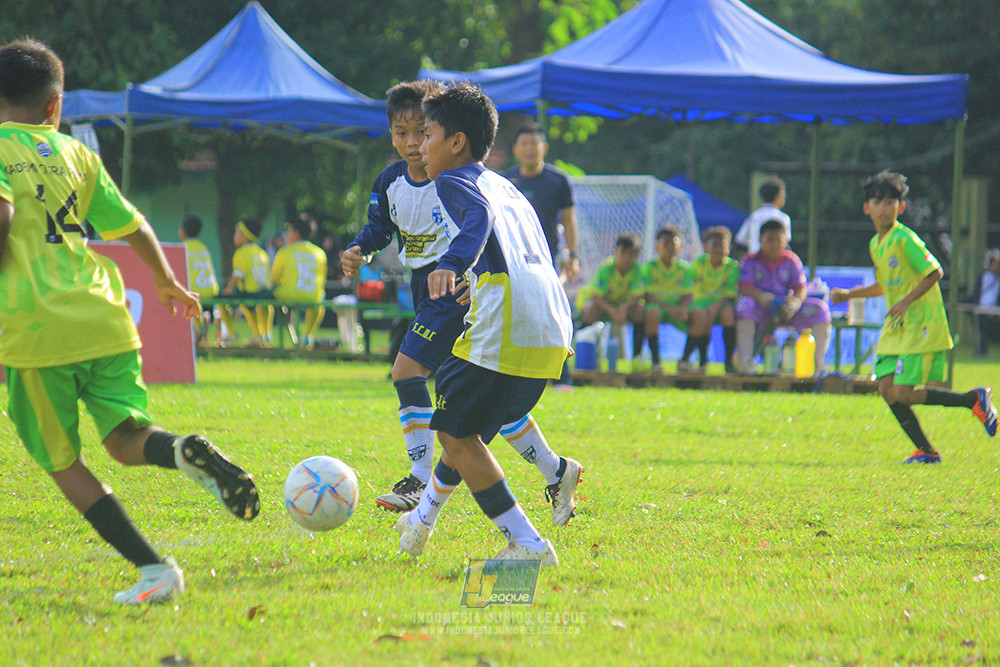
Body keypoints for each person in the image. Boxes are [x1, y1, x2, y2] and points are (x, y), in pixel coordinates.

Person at [0, 38, 259, 605]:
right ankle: (182, 448)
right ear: (54, 106)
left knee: (63, 463)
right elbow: (132, 226)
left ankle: (154, 570)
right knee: (124, 440)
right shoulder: (76, 154)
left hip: (35, 328)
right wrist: (167, 283)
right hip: (106, 318)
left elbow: (2, 215)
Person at [341, 81, 581, 520]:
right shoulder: (392, 181)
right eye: (402, 132)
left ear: (449, 138)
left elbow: (483, 223)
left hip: (457, 290)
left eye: (422, 131)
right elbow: (379, 228)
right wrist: (360, 248)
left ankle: (418, 482)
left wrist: (459, 268)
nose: (413, 142)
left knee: (409, 373)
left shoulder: (453, 177)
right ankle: (554, 469)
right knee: (486, 404)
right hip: (430, 284)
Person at [831, 170, 997, 462]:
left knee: (903, 393)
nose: (885, 207)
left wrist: (906, 302)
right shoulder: (876, 243)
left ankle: (974, 400)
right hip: (897, 325)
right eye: (878, 201)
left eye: (891, 202)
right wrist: (850, 295)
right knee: (885, 389)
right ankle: (926, 451)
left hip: (919, 322)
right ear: (866, 207)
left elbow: (935, 272)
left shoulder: (904, 238)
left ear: (901, 207)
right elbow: (885, 284)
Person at [502, 123, 578, 387]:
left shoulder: (559, 180)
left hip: (548, 259)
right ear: (516, 150)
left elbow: (568, 220)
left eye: (534, 143)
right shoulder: (504, 181)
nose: (529, 149)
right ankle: (516, 375)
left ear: (544, 148)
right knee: (515, 313)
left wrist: (573, 255)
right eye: (524, 143)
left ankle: (562, 377)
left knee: (552, 313)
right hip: (513, 260)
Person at [735, 219, 831, 374]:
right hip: (760, 306)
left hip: (786, 308)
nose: (774, 244)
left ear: (785, 240)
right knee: (745, 305)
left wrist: (794, 304)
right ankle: (746, 362)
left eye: (778, 240)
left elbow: (800, 289)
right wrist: (762, 297)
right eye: (769, 240)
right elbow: (745, 288)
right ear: (760, 240)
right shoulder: (750, 261)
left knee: (820, 309)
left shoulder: (791, 260)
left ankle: (818, 365)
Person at [576, 233, 645, 367]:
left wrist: (623, 308)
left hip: (621, 309)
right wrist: (613, 311)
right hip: (602, 307)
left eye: (631, 254)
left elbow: (638, 296)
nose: (626, 257)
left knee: (639, 310)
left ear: (636, 256)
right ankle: (581, 354)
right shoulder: (606, 267)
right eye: (623, 252)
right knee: (592, 309)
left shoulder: (637, 270)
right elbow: (596, 296)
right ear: (615, 252)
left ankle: (637, 359)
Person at [680, 226, 740, 373]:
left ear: (729, 248)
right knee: (701, 316)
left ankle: (728, 363)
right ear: (706, 247)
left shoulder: (732, 267)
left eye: (722, 245)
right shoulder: (698, 264)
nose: (718, 249)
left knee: (728, 314)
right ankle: (690, 360)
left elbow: (731, 295)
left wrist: (715, 306)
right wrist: (684, 308)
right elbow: (687, 290)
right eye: (715, 245)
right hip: (701, 304)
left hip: (723, 304)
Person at [637, 226, 691, 373]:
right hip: (658, 308)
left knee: (699, 316)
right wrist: (669, 308)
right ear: (657, 246)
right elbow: (647, 295)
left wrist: (683, 308)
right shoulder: (648, 267)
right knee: (652, 313)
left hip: (677, 310)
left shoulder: (685, 269)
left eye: (673, 242)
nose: (670, 246)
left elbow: (688, 295)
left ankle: (686, 361)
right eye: (666, 242)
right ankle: (655, 361)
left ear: (680, 245)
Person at [271, 216, 327, 349]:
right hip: (312, 296)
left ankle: (268, 335)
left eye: (289, 231)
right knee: (318, 303)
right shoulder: (319, 253)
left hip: (287, 295)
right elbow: (321, 281)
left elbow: (274, 279)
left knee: (275, 302)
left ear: (296, 233)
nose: (287, 234)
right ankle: (307, 336)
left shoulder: (284, 252)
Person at [221, 217, 273, 346]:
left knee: (222, 302)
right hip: (265, 292)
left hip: (250, 292)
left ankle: (232, 333)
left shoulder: (241, 252)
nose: (235, 236)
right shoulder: (262, 252)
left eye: (237, 232)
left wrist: (227, 290)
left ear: (244, 236)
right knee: (265, 306)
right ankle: (265, 333)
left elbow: (237, 275)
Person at [178, 215, 224, 342]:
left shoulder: (183, 247)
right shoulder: (203, 248)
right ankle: (204, 330)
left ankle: (196, 331)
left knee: (182, 296)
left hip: (194, 290)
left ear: (183, 230)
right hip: (210, 290)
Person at [735, 176, 791, 256]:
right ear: (778, 196)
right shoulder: (783, 218)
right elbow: (786, 243)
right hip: (775, 264)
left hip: (755, 263)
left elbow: (740, 240)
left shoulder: (754, 216)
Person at [965, 248, 1000, 357]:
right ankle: (979, 352)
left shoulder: (997, 278)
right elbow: (976, 291)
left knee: (989, 332)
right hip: (981, 309)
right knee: (981, 332)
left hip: (993, 310)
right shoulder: (983, 275)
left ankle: (983, 352)